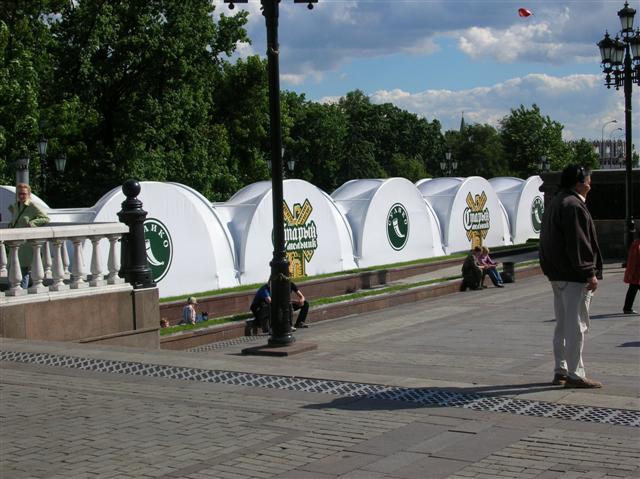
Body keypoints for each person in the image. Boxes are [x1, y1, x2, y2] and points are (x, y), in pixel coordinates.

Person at [539, 165, 603, 389]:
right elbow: (579, 243)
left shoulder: (557, 201)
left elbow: (546, 240)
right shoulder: (573, 205)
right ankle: (575, 374)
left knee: (563, 324)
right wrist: (589, 272)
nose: (590, 185)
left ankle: (561, 370)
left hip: (558, 274)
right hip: (573, 276)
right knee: (576, 325)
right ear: (579, 183)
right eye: (588, 180)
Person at [8, 183, 50, 288]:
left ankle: (22, 293)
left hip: (26, 244)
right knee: (11, 268)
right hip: (15, 242)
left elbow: (46, 218)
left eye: (24, 194)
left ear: (29, 194)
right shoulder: (15, 206)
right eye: (19, 193)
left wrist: (32, 223)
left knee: (23, 270)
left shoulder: (32, 206)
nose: (21, 196)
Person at [623, 229, 640, 314]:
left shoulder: (636, 244)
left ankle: (627, 308)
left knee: (632, 290)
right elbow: (633, 260)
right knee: (632, 290)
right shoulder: (637, 245)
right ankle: (627, 308)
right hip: (636, 273)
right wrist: (631, 273)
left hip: (636, 273)